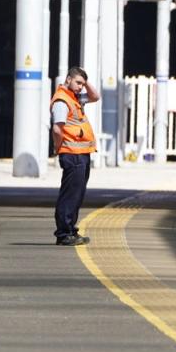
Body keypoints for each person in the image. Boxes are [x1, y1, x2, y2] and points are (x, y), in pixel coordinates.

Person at [51, 67, 100, 246]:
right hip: (71, 154)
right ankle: (64, 233)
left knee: (77, 194)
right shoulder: (62, 101)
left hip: (81, 154)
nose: (81, 87)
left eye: (82, 83)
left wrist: (85, 82)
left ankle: (70, 230)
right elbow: (57, 128)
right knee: (70, 194)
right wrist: (58, 148)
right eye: (78, 82)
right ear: (68, 79)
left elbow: (95, 97)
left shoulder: (76, 98)